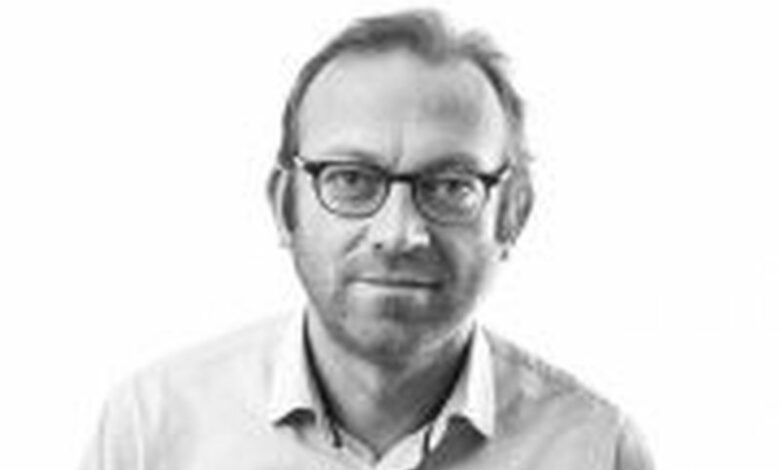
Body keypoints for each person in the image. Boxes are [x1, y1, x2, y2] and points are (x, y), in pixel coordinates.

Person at [80, 9, 653, 470]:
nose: (399, 234)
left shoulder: (597, 450)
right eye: (352, 180)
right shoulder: (151, 431)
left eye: (451, 186)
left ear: (513, 216)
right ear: (285, 206)